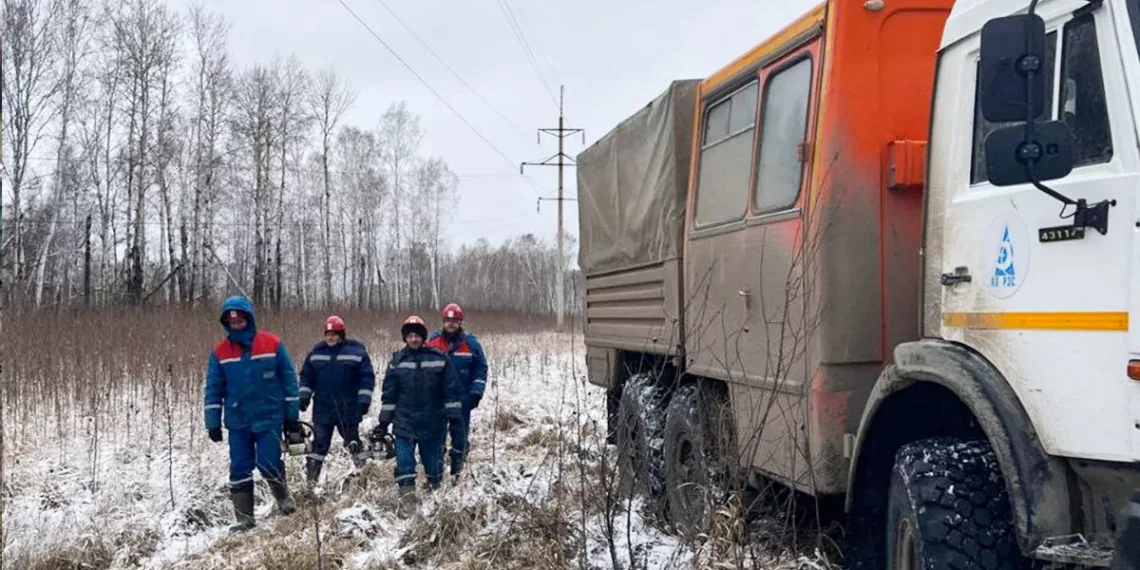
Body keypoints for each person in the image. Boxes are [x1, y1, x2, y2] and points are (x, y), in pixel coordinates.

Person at [204, 295, 301, 533]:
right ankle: (245, 519)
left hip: (269, 417)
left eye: (240, 320)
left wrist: (291, 417)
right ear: (226, 323)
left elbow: (290, 382)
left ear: (249, 318)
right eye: (231, 322)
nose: (236, 325)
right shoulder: (219, 354)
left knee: (268, 463)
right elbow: (213, 389)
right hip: (238, 422)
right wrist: (212, 422)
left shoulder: (272, 344)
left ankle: (284, 500)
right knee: (239, 467)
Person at [373, 315, 463, 508]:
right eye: (410, 336)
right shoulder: (397, 361)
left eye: (417, 336)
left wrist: (454, 418)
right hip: (404, 423)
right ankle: (408, 504)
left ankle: (434, 503)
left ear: (423, 337)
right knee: (405, 465)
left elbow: (450, 391)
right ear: (405, 338)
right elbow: (389, 396)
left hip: (433, 424)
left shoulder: (439, 359)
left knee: (434, 469)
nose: (414, 339)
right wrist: (383, 423)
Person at [299, 315, 376, 483]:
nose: (330, 337)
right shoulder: (316, 353)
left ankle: (363, 476)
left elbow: (367, 378)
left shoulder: (356, 352)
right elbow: (306, 377)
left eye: (334, 334)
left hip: (348, 408)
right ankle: (310, 484)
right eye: (328, 334)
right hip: (323, 409)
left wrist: (364, 400)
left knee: (353, 443)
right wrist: (304, 395)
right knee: (318, 446)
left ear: (341, 334)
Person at [426, 303, 488, 478]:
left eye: (454, 321)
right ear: (443, 321)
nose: (451, 324)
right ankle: (435, 476)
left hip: (462, 399)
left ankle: (457, 472)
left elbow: (480, 368)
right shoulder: (432, 341)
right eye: (448, 320)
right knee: (436, 438)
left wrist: (476, 392)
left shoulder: (471, 343)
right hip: (436, 400)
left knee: (459, 437)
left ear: (460, 322)